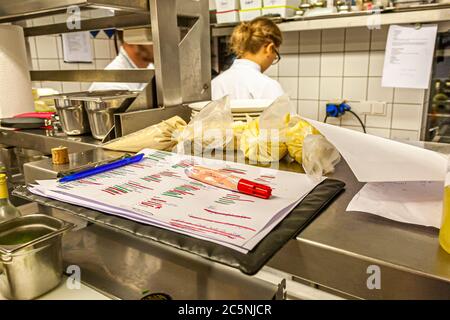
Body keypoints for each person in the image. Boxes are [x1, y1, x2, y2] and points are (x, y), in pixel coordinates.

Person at [212, 17, 284, 100]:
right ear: (269, 48)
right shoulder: (268, 86)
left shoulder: (215, 84)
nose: (274, 58)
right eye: (276, 55)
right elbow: (286, 113)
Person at [89, 31, 155, 92]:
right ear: (131, 39)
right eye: (153, 35)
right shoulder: (111, 86)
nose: (161, 41)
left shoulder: (152, 69)